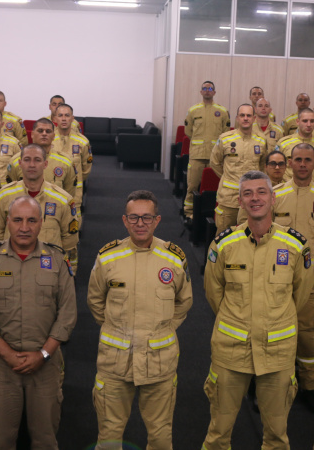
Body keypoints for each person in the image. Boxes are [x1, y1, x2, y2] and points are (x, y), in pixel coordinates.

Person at [202, 170, 311, 450]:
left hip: (277, 353)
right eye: (248, 193)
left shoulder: (296, 245)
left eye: (261, 192)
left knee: (276, 436)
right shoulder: (223, 244)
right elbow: (214, 293)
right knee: (218, 433)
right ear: (239, 201)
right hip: (231, 350)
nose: (255, 198)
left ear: (273, 199)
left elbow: (300, 294)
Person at [0, 195, 76, 450]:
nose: (24, 227)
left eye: (31, 220)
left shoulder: (58, 260)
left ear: (41, 223)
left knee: (45, 440)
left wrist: (43, 354)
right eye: (17, 220)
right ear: (7, 222)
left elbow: (68, 314)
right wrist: (7, 355)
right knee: (3, 439)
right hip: (1, 365)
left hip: (46, 365)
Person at [88, 190, 193, 449]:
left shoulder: (174, 258)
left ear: (157, 220)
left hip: (159, 361)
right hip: (115, 362)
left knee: (159, 435)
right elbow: (95, 301)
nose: (140, 224)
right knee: (109, 435)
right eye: (134, 218)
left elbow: (184, 302)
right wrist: (116, 331)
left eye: (147, 218)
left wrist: (163, 329)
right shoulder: (108, 257)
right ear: (125, 220)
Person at [272, 144, 314, 411]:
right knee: (274, 333)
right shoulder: (275, 195)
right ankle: (274, 386)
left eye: (307, 160)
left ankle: (309, 385)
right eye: (297, 159)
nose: (301, 164)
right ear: (289, 162)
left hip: (311, 279)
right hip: (277, 276)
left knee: (308, 335)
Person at [0, 144, 79, 272]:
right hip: (12, 265)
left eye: (37, 160)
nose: (32, 165)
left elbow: (69, 240)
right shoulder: (4, 195)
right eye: (27, 160)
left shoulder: (63, 199)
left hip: (49, 268)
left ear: (45, 164)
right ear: (20, 163)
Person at [209, 103, 267, 234]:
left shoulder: (261, 141)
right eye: (242, 115)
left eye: (248, 115)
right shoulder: (225, 139)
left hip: (252, 199)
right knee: (223, 236)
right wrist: (227, 177)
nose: (245, 118)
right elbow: (214, 162)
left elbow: (262, 167)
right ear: (237, 118)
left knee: (248, 236)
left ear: (254, 118)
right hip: (229, 198)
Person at [182, 81, 230, 221]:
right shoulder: (193, 110)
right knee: (192, 186)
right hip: (197, 155)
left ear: (214, 92)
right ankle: (189, 213)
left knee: (214, 187)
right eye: (204, 88)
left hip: (215, 157)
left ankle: (210, 212)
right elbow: (188, 131)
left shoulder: (222, 111)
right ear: (201, 92)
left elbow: (225, 133)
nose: (207, 90)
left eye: (210, 88)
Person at [6, 119, 76, 196]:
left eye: (48, 131)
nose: (44, 134)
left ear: (53, 136)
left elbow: (69, 193)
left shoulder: (65, 162)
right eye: (40, 131)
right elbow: (11, 191)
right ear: (32, 134)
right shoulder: (16, 161)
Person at [51, 103, 92, 212]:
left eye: (67, 115)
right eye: (60, 115)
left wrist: (74, 181)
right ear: (55, 118)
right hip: (52, 191)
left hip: (74, 192)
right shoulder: (48, 139)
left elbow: (86, 170)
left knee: (73, 225)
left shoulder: (82, 142)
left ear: (72, 118)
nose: (64, 119)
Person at [273, 108, 314, 185]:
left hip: (313, 190)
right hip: (289, 190)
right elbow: (275, 170)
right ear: (298, 122)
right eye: (305, 121)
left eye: (312, 121)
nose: (309, 124)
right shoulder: (284, 143)